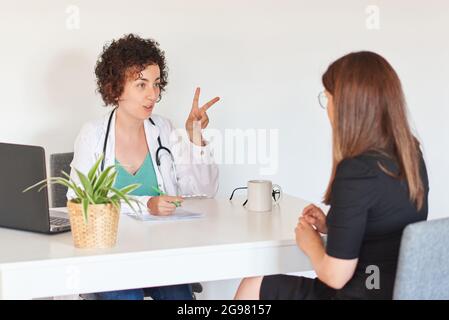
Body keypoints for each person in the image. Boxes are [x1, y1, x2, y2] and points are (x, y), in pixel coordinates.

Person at [234, 51, 429, 300]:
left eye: (328, 97)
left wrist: (310, 242)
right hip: (393, 292)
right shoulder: (411, 156)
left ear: (347, 105)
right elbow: (383, 226)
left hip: (357, 294)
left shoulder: (356, 171)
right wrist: (332, 225)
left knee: (255, 284)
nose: (327, 107)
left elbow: (335, 275)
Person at [67, 34, 220, 300]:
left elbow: (205, 191)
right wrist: (147, 203)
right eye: (141, 85)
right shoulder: (92, 135)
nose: (153, 95)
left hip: (162, 253)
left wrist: (195, 138)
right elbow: (78, 203)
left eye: (157, 85)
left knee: (179, 297)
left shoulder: (163, 129)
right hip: (109, 256)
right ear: (115, 88)